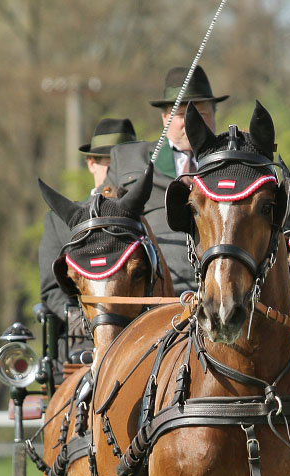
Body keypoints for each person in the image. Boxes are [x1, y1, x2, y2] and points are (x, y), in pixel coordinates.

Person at [102, 65, 229, 295]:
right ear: (165, 118)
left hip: (223, 292)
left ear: (214, 116)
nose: (191, 122)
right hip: (151, 292)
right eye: (181, 115)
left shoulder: (234, 167)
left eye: (201, 115)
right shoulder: (129, 160)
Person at [38, 117, 138, 362]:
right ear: (91, 163)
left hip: (141, 330)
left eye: (122, 164)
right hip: (83, 339)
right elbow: (52, 291)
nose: (115, 173)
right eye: (108, 163)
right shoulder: (59, 221)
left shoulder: (145, 216)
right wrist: (91, 322)